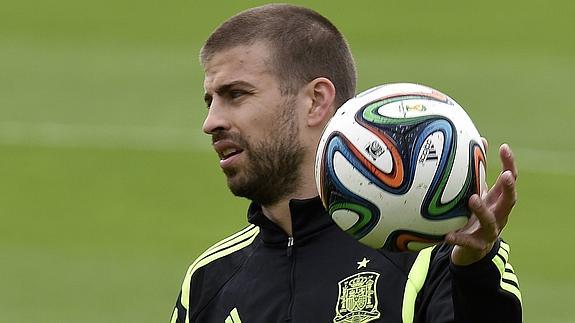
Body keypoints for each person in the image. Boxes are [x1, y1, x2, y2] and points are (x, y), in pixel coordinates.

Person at [170, 4, 522, 323]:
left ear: (315, 101)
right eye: (209, 101)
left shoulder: (436, 254)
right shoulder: (208, 279)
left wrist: (475, 275)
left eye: (236, 94)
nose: (211, 122)